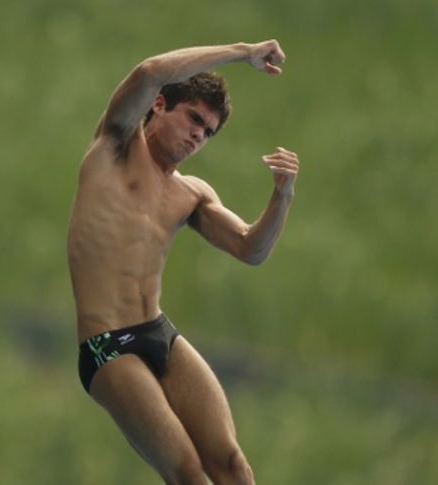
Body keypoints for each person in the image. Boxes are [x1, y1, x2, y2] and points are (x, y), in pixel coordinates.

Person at [67, 39, 298, 484]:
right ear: (159, 106)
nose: (198, 135)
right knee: (189, 474)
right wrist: (243, 52)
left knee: (231, 466)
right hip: (107, 345)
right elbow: (151, 69)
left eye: (208, 131)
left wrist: (281, 197)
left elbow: (252, 249)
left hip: (157, 332)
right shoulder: (114, 148)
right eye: (194, 118)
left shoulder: (190, 193)